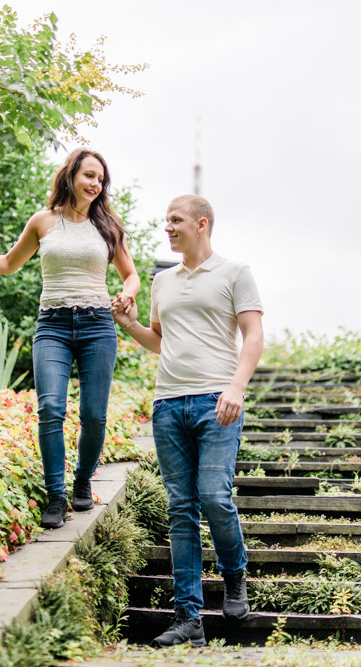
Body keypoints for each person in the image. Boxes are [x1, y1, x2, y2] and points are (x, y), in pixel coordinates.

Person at [0, 149, 140, 530]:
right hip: (52, 326)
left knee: (94, 416)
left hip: (98, 325)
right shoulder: (43, 222)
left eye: (100, 179)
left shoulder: (108, 227)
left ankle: (83, 480)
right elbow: (8, 263)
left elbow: (129, 274)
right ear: (70, 176)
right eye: (88, 175)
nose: (95, 184)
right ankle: (56, 495)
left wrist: (129, 292)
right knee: (51, 408)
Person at [112, 194, 263, 647]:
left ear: (201, 223)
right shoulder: (161, 282)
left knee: (214, 496)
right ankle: (188, 618)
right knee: (181, 510)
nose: (168, 228)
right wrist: (128, 324)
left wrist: (236, 388)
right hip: (168, 405)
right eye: (166, 221)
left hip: (218, 401)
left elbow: (254, 335)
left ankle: (235, 574)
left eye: (175, 221)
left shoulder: (235, 273)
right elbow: (158, 341)